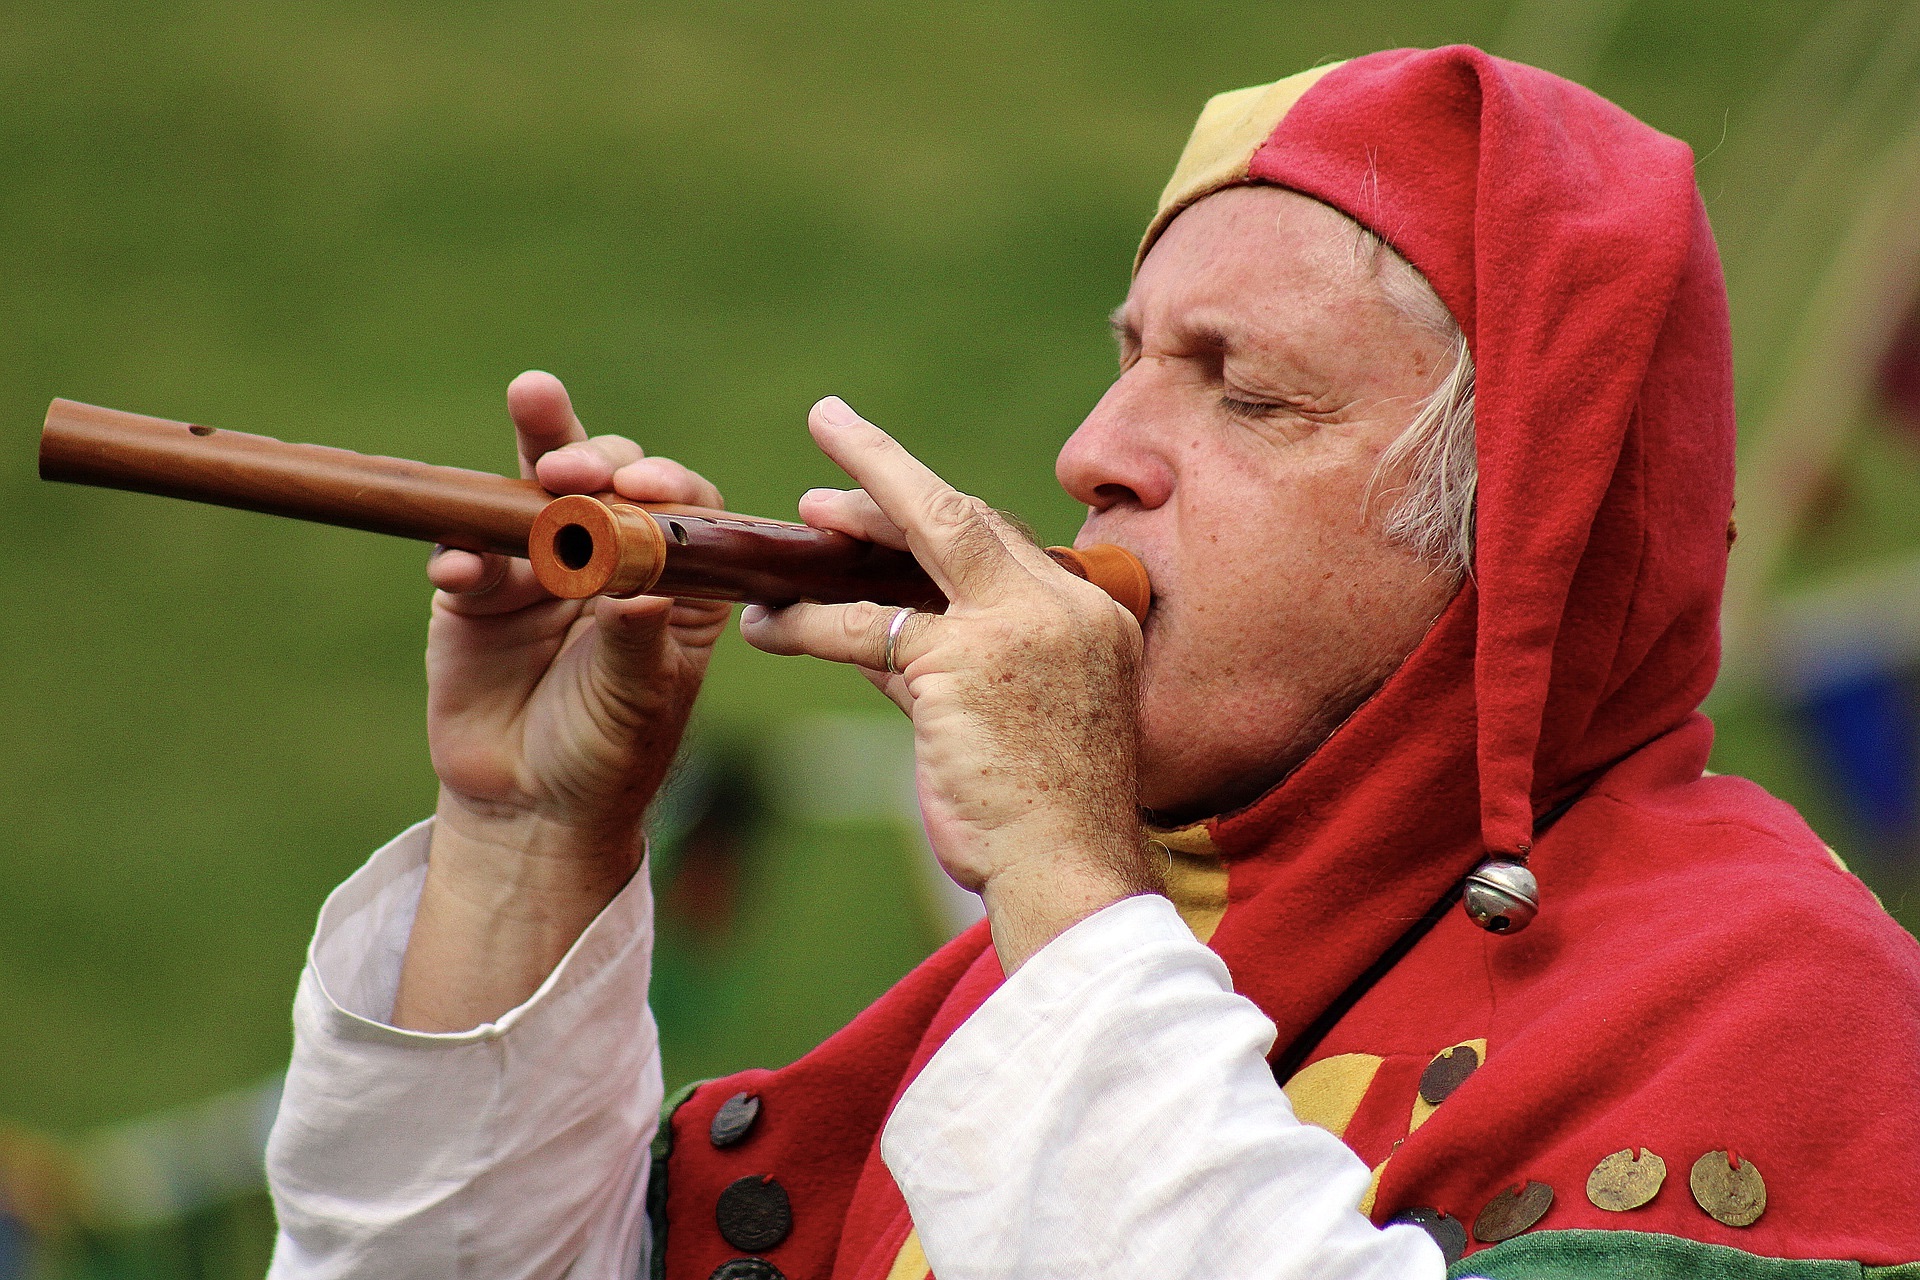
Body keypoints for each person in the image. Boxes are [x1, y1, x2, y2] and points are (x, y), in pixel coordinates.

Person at [263, 46, 1920, 1280]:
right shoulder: (1080, 973)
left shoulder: (1790, 1015)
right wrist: (525, 846)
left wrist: (1061, 867)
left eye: (1243, 390)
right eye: (1128, 362)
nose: (1089, 454)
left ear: (1523, 541)